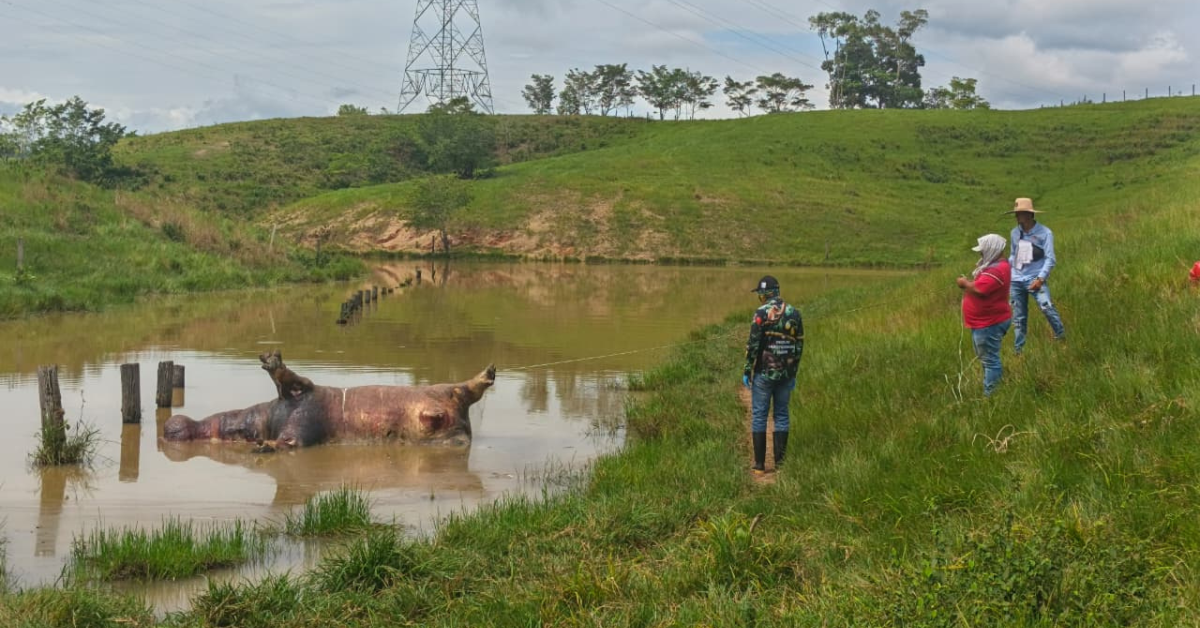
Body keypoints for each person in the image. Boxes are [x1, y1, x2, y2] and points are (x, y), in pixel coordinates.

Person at [742, 275, 804, 474]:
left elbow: (753, 345)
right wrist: (793, 372)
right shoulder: (794, 313)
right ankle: (780, 465)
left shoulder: (761, 313)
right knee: (782, 415)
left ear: (765, 294)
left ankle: (760, 465)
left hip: (764, 373)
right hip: (786, 374)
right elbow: (799, 345)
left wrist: (747, 369)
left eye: (760, 294)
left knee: (759, 415)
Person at [1007, 197, 1066, 354]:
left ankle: (1061, 336)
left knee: (1046, 307)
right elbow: (1013, 254)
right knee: (1018, 317)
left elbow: (1050, 259)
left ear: (1029, 214)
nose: (1017, 216)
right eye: (1016, 213)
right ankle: (1019, 350)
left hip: (1035, 277)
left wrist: (1040, 279)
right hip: (1016, 279)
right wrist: (1007, 268)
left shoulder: (1045, 233)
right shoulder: (1014, 233)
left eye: (1019, 213)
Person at [957, 234, 1013, 397]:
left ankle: (991, 397)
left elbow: (979, 289)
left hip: (989, 323)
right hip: (985, 322)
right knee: (987, 359)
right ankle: (992, 390)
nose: (981, 254)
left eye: (983, 251)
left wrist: (964, 283)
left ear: (991, 249)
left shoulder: (996, 270)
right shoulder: (997, 266)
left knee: (990, 361)